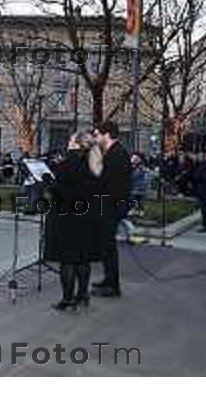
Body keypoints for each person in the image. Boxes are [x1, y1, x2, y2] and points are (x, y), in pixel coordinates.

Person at [45, 131, 104, 311]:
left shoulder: (66, 164)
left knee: (67, 260)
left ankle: (67, 300)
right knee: (83, 259)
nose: (68, 141)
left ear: (77, 144)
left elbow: (58, 192)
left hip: (66, 218)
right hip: (87, 217)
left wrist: (48, 181)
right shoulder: (95, 164)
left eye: (70, 139)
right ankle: (82, 295)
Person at [91, 121, 132, 298]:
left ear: (106, 134)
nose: (96, 137)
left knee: (108, 246)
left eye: (97, 134)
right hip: (111, 205)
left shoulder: (116, 154)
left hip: (111, 206)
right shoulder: (115, 152)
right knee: (107, 246)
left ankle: (113, 286)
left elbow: (108, 184)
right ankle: (109, 279)